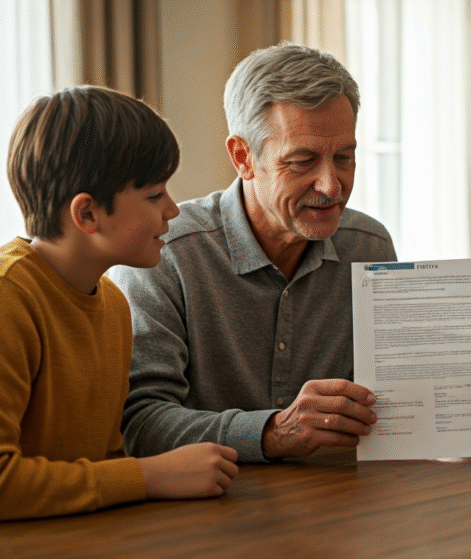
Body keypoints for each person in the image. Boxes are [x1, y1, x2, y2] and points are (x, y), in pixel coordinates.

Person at [0, 86, 239, 525]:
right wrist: (148, 475)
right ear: (87, 215)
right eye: (154, 195)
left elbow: (101, 465)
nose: (173, 210)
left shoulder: (114, 307)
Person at [110, 43, 395, 463]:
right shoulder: (166, 254)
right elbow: (140, 423)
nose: (332, 186)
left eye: (344, 158)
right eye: (302, 161)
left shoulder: (370, 247)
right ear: (243, 158)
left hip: (340, 503)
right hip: (206, 510)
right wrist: (272, 433)